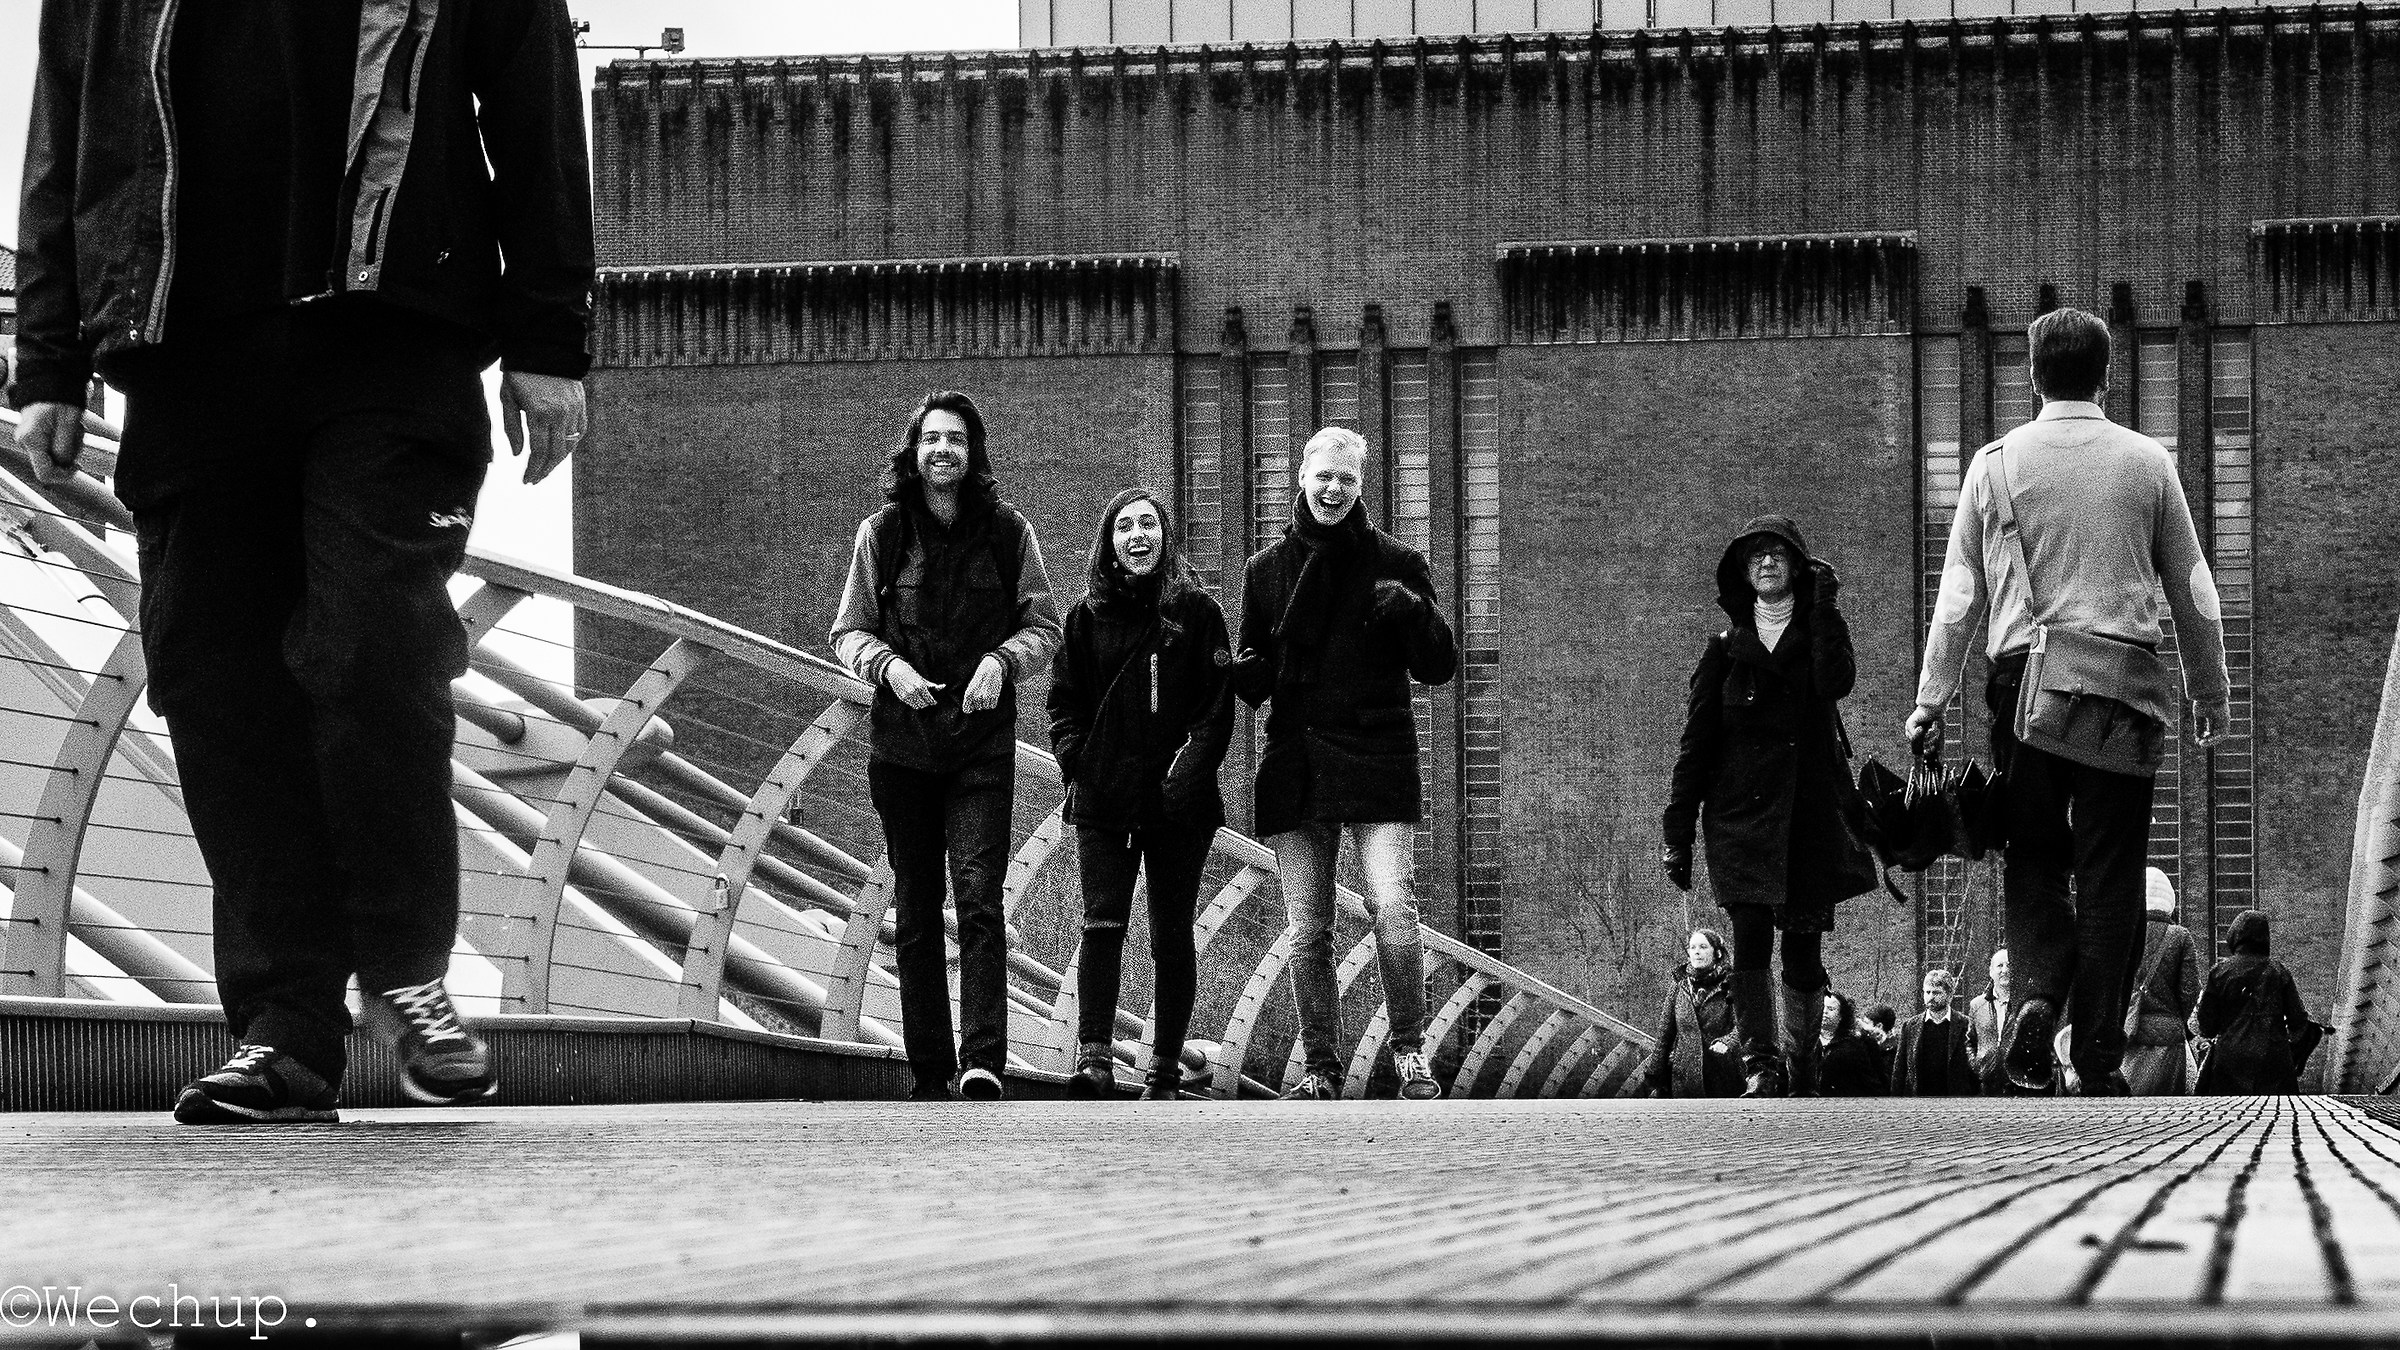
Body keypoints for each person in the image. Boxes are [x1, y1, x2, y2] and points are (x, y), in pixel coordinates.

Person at [12, 0, 595, 1123]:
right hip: (186, 347)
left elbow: (535, 106)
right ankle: (285, 1031)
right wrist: (48, 358)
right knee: (216, 686)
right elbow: (65, 129)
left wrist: (549, 334)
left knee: (376, 648)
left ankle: (405, 971)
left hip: (392, 337)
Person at [1907, 307, 2232, 1097]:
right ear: (2107, 376)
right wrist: (2210, 689)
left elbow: (1959, 595)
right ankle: (2096, 1053)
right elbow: (2195, 588)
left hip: (2024, 690)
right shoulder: (2147, 463)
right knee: (2113, 872)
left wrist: (1930, 698)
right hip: (2121, 689)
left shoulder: (1993, 466)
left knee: (2035, 861)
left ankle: (2036, 996)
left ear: (2032, 375)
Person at [831, 391, 1062, 1101]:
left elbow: (1045, 626)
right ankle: (930, 1069)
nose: (942, 451)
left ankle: (982, 1060)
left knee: (981, 902)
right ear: (914, 450)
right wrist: (886, 666)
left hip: (981, 748)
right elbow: (847, 630)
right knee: (917, 909)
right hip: (902, 749)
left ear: (973, 452)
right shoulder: (881, 534)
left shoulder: (1010, 533)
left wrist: (1002, 661)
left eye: (955, 440)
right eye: (931, 439)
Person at [1228, 426, 1457, 1101]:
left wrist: (1414, 612)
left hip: (1377, 757)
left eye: (1347, 479)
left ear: (1362, 486)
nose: (1333, 489)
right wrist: (1243, 670)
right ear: (1302, 477)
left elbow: (1438, 665)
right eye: (1323, 476)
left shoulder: (1397, 562)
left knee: (1392, 906)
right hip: (1297, 760)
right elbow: (1254, 669)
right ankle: (1322, 1068)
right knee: (1308, 928)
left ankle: (1409, 1051)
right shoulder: (1265, 571)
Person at [1663, 517, 1879, 1097]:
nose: (1766, 562)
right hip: (1740, 820)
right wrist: (1677, 834)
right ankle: (1761, 1063)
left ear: (1798, 566)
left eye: (1778, 553)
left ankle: (1802, 1061)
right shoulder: (1722, 652)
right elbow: (1695, 745)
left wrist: (1825, 608)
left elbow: (1836, 682)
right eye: (1755, 554)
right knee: (1751, 934)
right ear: (1742, 571)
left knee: (1803, 951)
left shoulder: (1820, 633)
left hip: (1808, 818)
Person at [1046, 488, 1235, 1101]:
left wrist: (1183, 781)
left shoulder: (1197, 613)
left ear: (1165, 536)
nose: (1137, 536)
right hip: (1103, 801)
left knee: (1171, 935)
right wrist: (1077, 760)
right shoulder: (1085, 617)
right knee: (1101, 925)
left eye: (1148, 524)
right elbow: (1063, 702)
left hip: (1179, 805)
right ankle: (1094, 1059)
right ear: (1109, 542)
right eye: (1124, 526)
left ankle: (1164, 1070)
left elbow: (1216, 711)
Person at [2195, 910, 2318, 1095]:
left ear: (2235, 936)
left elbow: (2207, 1024)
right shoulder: (2279, 972)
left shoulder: (2219, 972)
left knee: (2230, 1112)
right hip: (2273, 1062)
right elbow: (2298, 1019)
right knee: (2276, 1112)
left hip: (2229, 1062)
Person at [2123, 867, 2203, 1096]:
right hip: (2168, 1038)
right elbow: (2190, 990)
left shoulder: (2124, 935)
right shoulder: (2180, 936)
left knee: (2127, 1105)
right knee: (2168, 1106)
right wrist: (2177, 1018)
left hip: (2129, 1034)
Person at [1639, 929, 1743, 1099]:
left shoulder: (1731, 984)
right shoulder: (1679, 986)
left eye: (1703, 947)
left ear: (1717, 953)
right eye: (1692, 947)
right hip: (1684, 1077)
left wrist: (1727, 1042)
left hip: (1724, 1075)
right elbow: (1665, 1035)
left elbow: (1746, 1026)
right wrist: (1655, 1075)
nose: (1697, 952)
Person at [1892, 969, 1979, 1096]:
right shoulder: (1910, 1026)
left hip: (1955, 1099)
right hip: (1919, 1100)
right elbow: (1900, 1069)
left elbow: (1974, 1069)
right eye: (1927, 992)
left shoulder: (1966, 1025)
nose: (1931, 997)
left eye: (1936, 992)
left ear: (1949, 995)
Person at [1815, 991, 1889, 1096]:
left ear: (1841, 1016)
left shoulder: (1854, 1045)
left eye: (1831, 1009)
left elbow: (1870, 1082)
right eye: (1822, 1007)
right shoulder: (1807, 1043)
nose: (1824, 1012)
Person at [1965, 948, 2015, 1095]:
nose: (2005, 970)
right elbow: (1970, 1041)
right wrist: (1978, 1065)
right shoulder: (1977, 1005)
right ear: (1991, 971)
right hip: (1986, 1084)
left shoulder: (2022, 1004)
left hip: (2017, 1084)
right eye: (2000, 966)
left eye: (2009, 965)